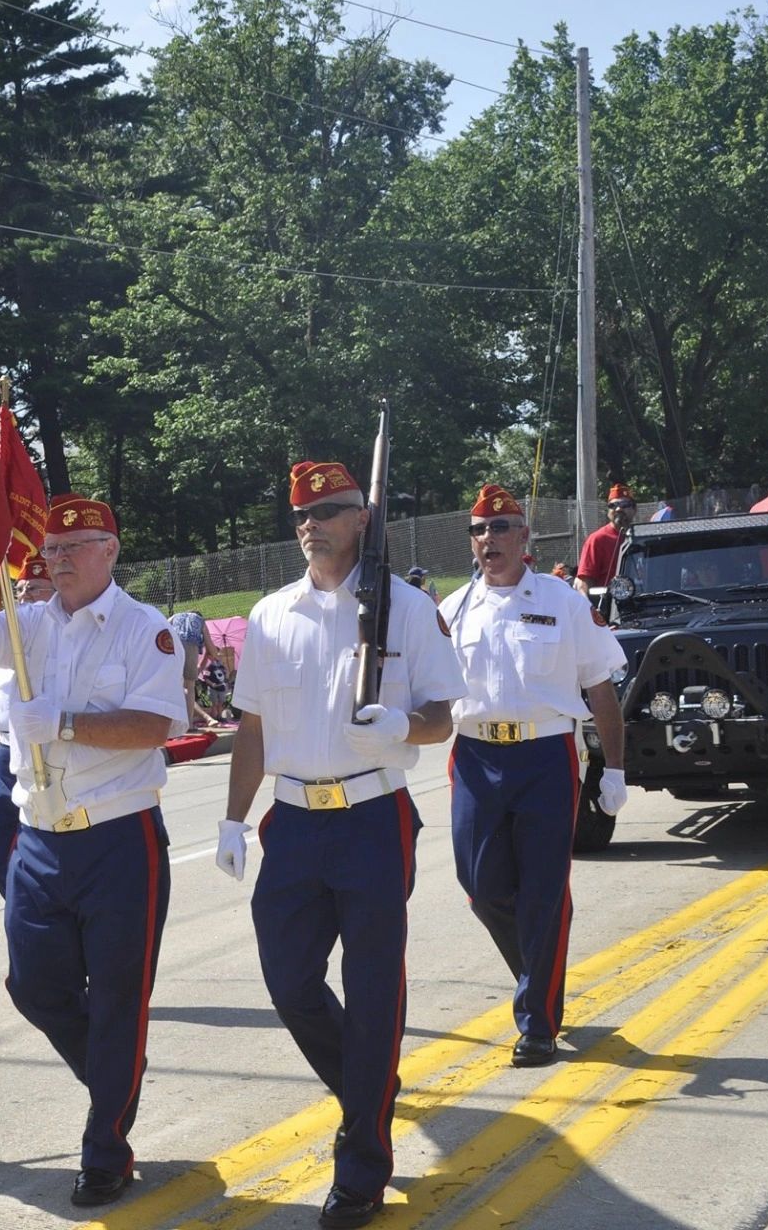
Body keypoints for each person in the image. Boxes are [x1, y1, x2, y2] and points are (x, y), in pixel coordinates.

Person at [216, 460, 464, 1230]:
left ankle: (360, 1167)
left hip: (372, 817)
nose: (311, 524)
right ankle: (369, 1091)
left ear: (363, 517)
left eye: (327, 511)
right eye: (302, 513)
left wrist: (402, 726)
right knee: (290, 982)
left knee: (374, 990)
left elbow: (442, 717)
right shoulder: (271, 615)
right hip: (293, 820)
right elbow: (252, 727)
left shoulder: (407, 609)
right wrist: (233, 819)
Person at [0, 495, 185, 1209]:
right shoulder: (26, 623)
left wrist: (63, 723)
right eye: (51, 550)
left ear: (110, 551)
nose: (58, 560)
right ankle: (116, 1074)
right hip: (39, 837)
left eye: (74, 547)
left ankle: (105, 1149)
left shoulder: (144, 629)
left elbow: (153, 726)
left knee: (119, 997)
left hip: (118, 837)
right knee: (33, 986)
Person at [439, 486, 626, 1068]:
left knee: (543, 891)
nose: (488, 539)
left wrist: (615, 768)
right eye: (478, 529)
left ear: (524, 536)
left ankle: (537, 1023)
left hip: (545, 756)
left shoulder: (562, 602)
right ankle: (539, 974)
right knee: (482, 888)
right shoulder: (452, 610)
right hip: (475, 757)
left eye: (500, 527)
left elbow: (600, 687)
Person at [0, 555, 54, 899]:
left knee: (44, 850)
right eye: (19, 589)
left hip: (43, 749)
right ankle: (23, 910)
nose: (23, 595)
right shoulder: (7, 639)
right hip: (5, 754)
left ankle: (37, 913)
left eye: (33, 588)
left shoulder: (55, 639)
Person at [573, 484, 636, 596]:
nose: (618, 509)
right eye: (613, 505)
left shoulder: (642, 538)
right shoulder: (597, 539)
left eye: (624, 504)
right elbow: (584, 583)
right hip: (609, 605)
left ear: (634, 509)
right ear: (608, 511)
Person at [168, 608, 224, 727]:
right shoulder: (200, 620)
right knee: (189, 687)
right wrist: (215, 654)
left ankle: (171, 722)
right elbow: (210, 645)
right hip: (190, 646)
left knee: (173, 685)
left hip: (172, 646)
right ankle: (189, 724)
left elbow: (164, 625)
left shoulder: (175, 616)